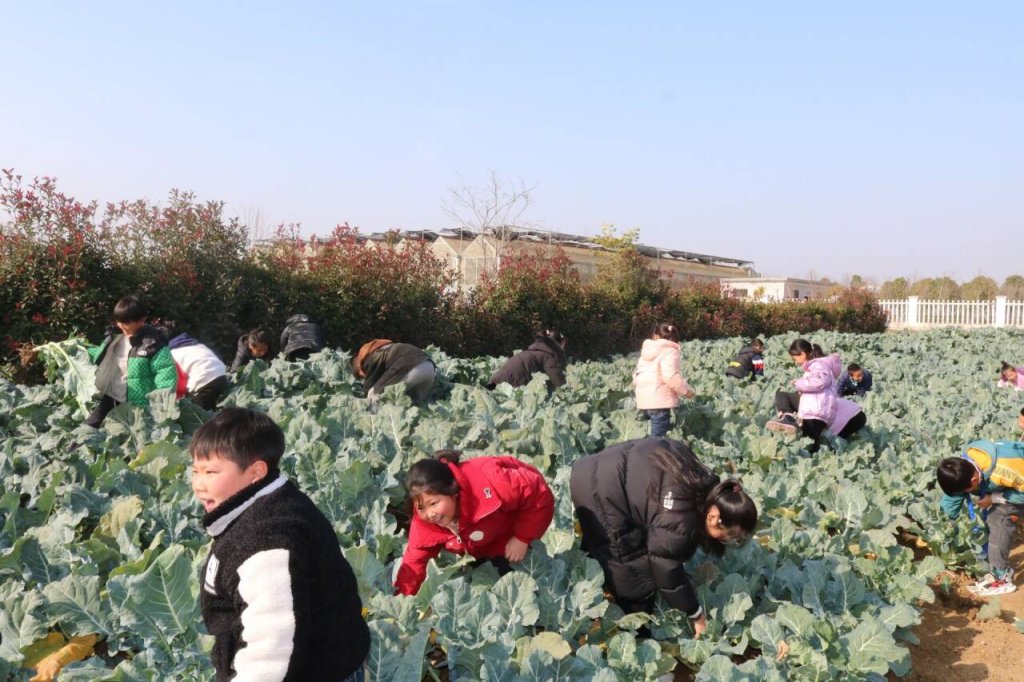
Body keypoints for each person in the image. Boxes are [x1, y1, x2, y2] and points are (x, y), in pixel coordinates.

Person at [191, 407, 369, 680]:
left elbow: (271, 655)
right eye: (195, 471)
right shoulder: (269, 504)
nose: (198, 484)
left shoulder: (266, 544)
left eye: (211, 472)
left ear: (256, 472)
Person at [570, 438, 757, 637]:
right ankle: (634, 631)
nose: (726, 541)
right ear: (714, 518)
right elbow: (665, 567)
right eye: (728, 536)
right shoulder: (681, 522)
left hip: (598, 468)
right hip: (597, 490)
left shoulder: (704, 484)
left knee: (604, 545)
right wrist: (696, 614)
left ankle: (593, 575)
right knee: (632, 573)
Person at [394, 450, 555, 596]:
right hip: (479, 545)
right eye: (421, 507)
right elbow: (414, 562)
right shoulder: (423, 522)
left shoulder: (493, 482)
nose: (430, 514)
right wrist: (403, 599)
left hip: (511, 531)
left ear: (453, 491)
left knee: (525, 586)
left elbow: (537, 492)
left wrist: (523, 538)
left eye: (434, 503)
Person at [937, 439, 1024, 597]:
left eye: (968, 489)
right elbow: (954, 496)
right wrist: (945, 523)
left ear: (974, 480)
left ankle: (1002, 576)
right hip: (1013, 482)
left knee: (998, 518)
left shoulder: (1004, 470)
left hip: (1020, 484)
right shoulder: (965, 466)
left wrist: (994, 498)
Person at [85, 296, 177, 428]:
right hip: (112, 396)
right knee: (89, 427)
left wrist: (160, 407)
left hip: (138, 404)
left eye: (126, 322)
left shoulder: (153, 344)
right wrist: (81, 350)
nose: (120, 325)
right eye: (119, 321)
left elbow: (165, 375)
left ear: (141, 320)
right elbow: (102, 355)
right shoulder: (115, 338)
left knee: (132, 436)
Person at [766, 339, 866, 452]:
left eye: (795, 358)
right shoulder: (815, 366)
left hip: (818, 411)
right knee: (783, 396)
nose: (795, 362)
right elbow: (816, 386)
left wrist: (799, 383)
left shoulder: (819, 365)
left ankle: (824, 453)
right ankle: (788, 418)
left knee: (811, 445)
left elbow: (819, 382)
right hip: (817, 407)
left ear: (803, 354)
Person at [634, 323, 695, 438]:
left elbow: (637, 374)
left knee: (647, 437)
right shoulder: (670, 351)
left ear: (656, 336)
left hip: (644, 401)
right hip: (659, 402)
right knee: (657, 440)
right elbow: (670, 376)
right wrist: (686, 391)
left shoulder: (646, 351)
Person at [353, 339, 436, 402]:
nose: (364, 377)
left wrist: (364, 396)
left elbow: (370, 383)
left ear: (358, 366)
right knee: (416, 404)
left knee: (373, 393)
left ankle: (371, 417)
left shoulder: (370, 359)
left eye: (361, 376)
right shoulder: (385, 348)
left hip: (411, 368)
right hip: (429, 367)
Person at [487, 329, 568, 393]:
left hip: (499, 377)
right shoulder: (550, 355)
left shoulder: (538, 349)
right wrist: (566, 391)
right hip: (513, 381)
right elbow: (557, 380)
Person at [168, 332, 228, 410]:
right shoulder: (198, 345)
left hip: (203, 379)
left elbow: (180, 381)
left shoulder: (172, 354)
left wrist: (179, 398)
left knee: (201, 413)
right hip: (221, 373)